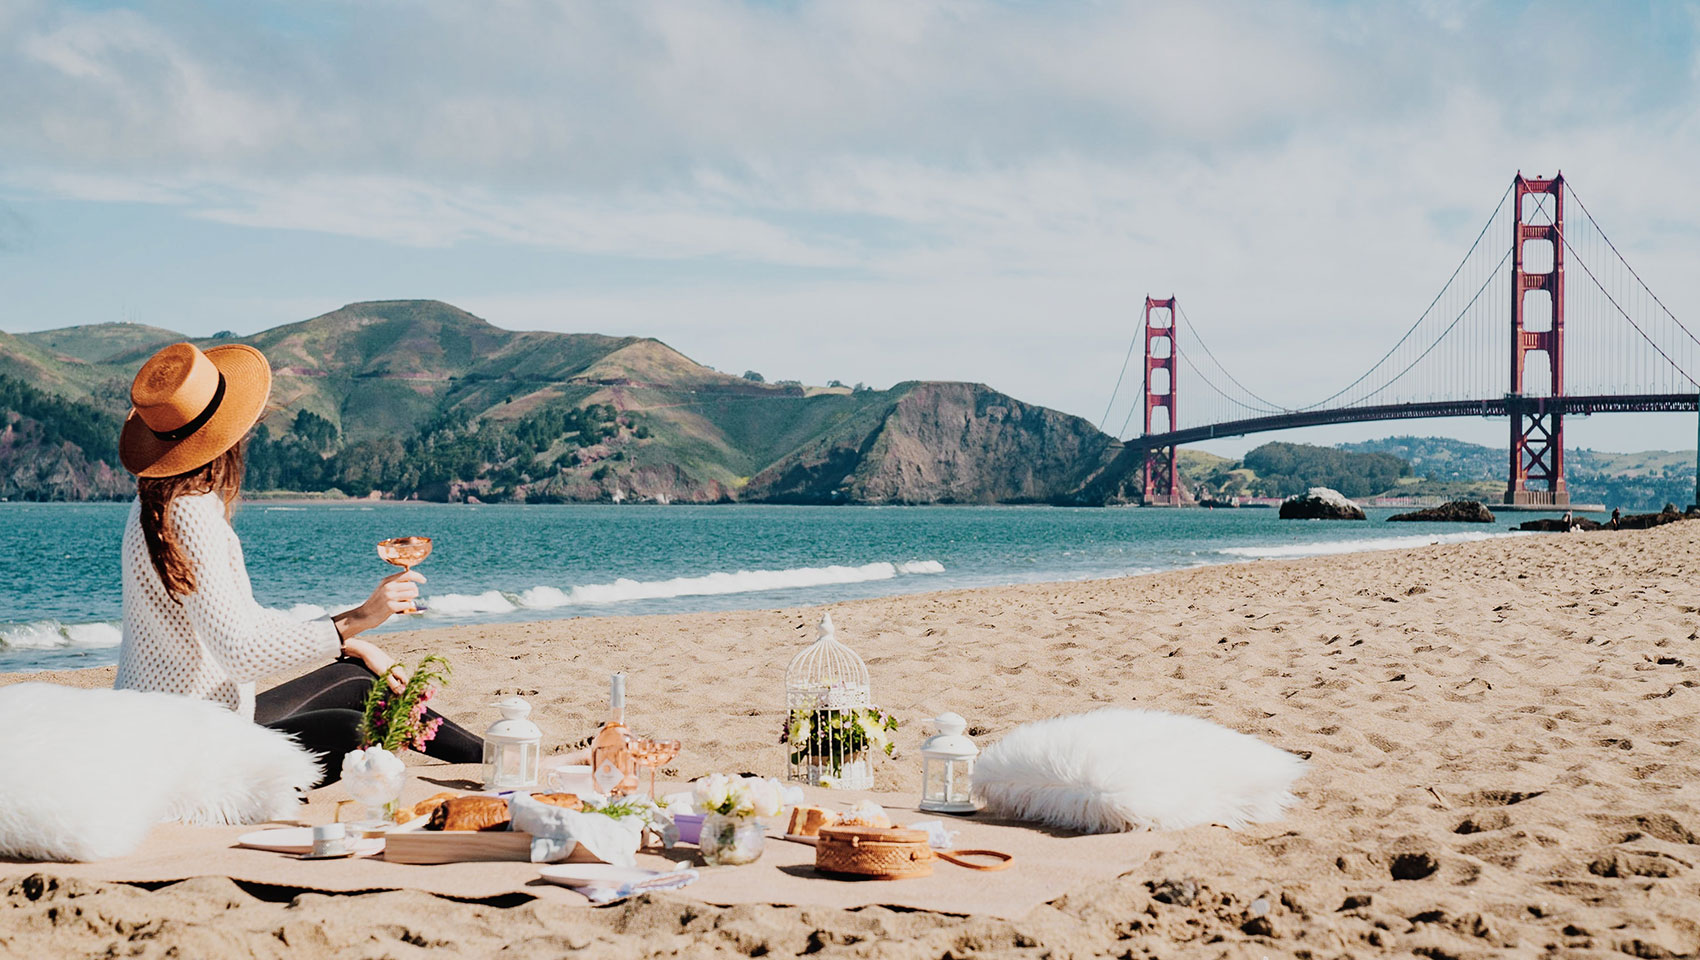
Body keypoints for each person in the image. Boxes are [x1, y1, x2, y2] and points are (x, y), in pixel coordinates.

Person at [113, 342, 481, 784]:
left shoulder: (158, 503)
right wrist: (360, 618)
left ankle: (492, 757)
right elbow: (244, 654)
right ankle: (501, 759)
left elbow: (242, 622)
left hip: (173, 728)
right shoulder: (190, 513)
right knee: (352, 732)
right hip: (190, 751)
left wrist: (349, 640)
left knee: (357, 678)